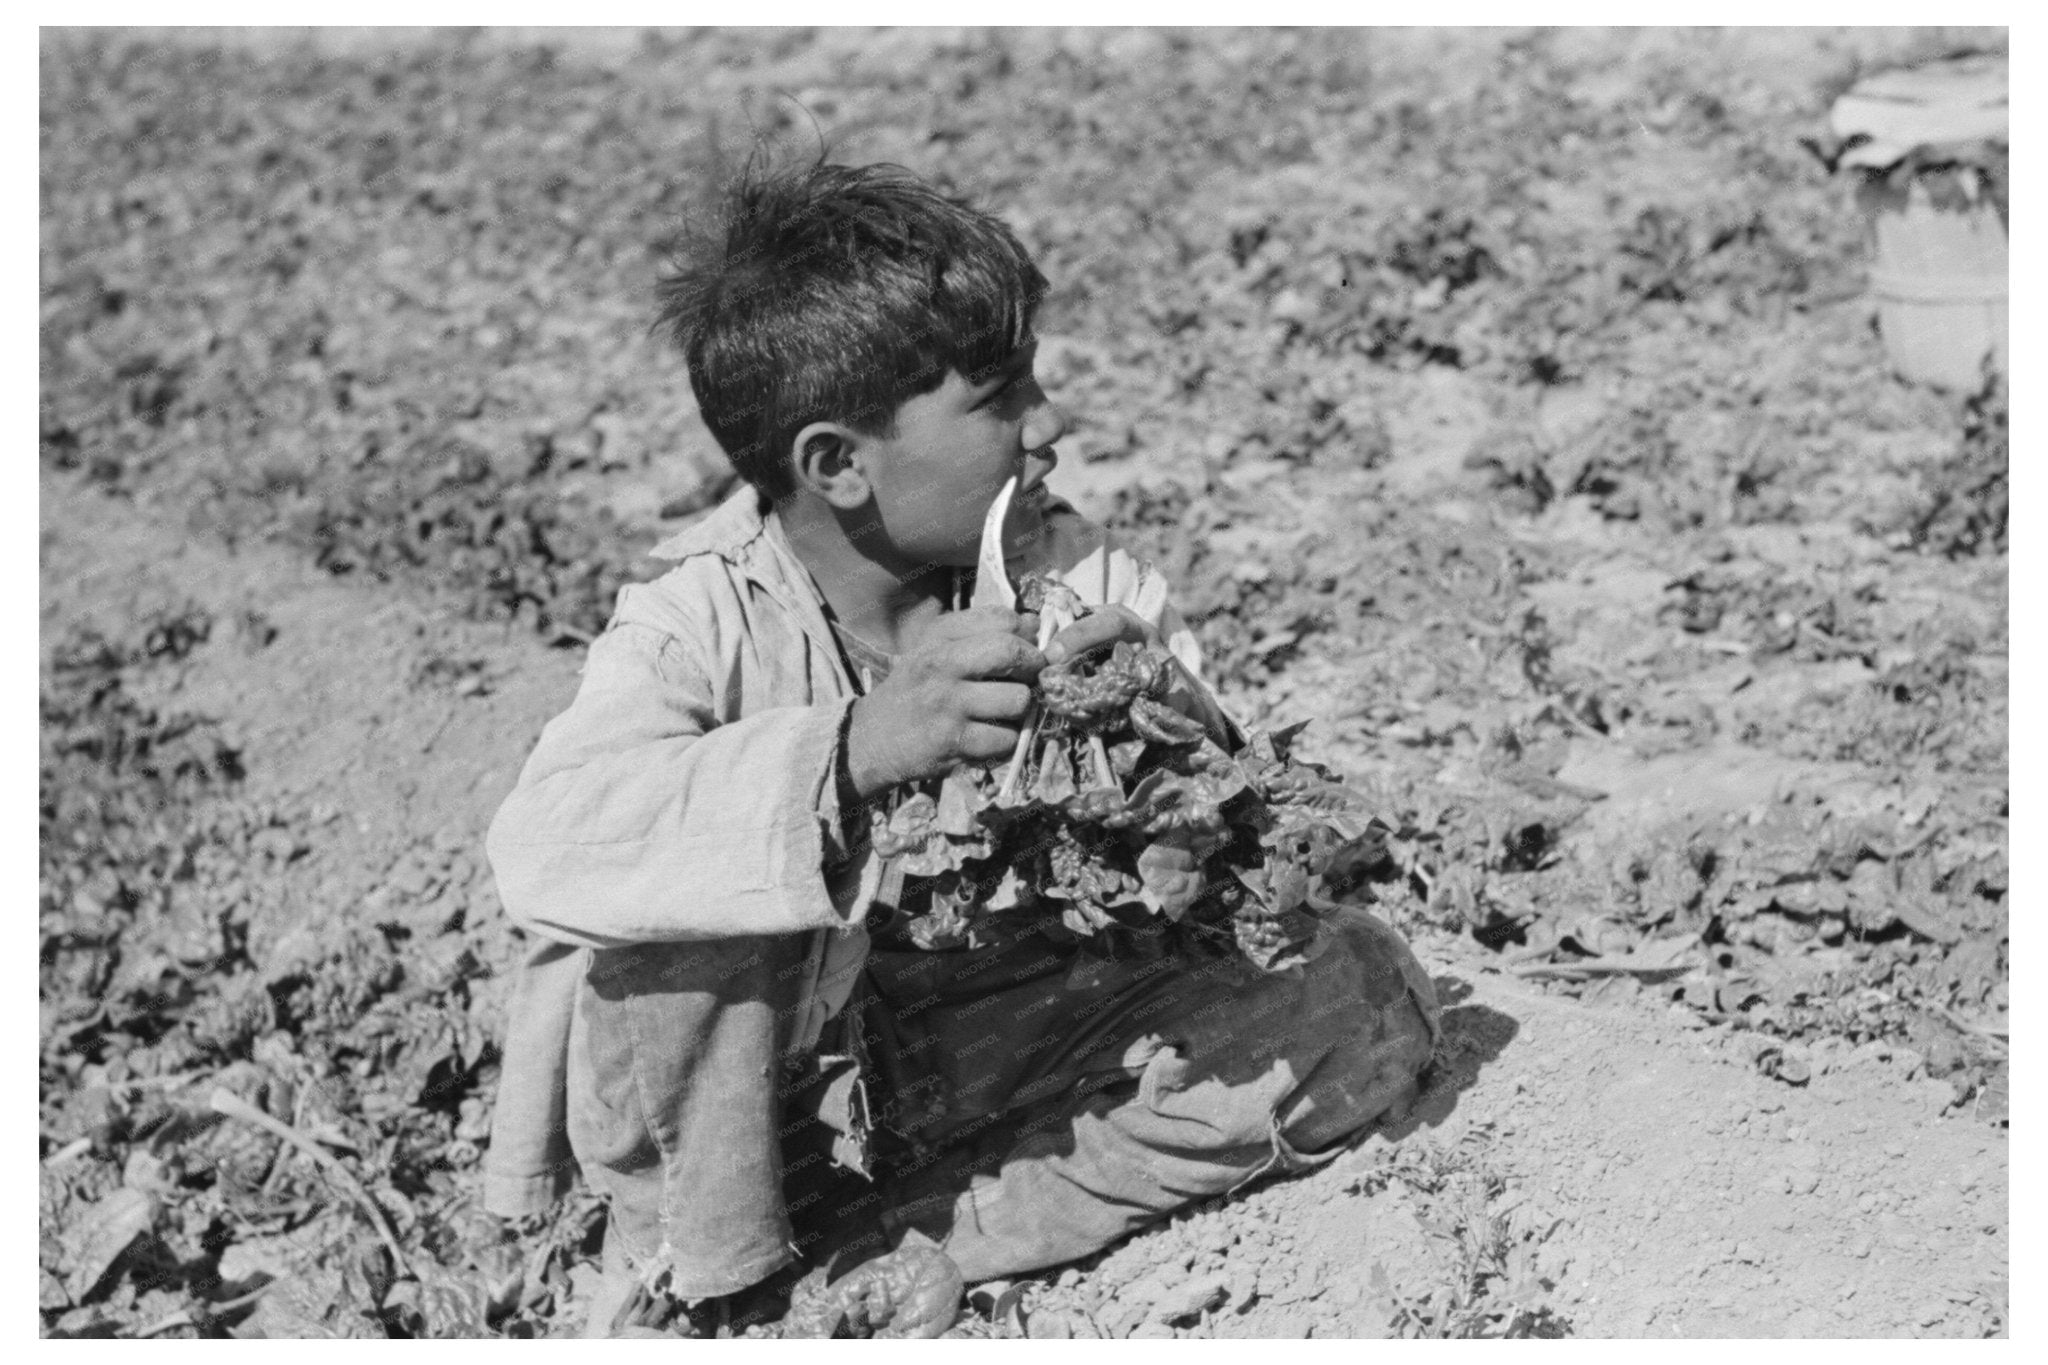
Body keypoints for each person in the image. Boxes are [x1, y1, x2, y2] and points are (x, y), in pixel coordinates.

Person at [480, 157, 1439, 1337]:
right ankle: (717, 1290)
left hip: (954, 1046)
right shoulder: (697, 625)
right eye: (998, 396)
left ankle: (912, 1244)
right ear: (837, 464)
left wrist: (1180, 762)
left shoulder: (1071, 572)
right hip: (751, 1117)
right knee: (683, 911)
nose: (1052, 422)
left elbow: (1212, 830)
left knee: (1358, 990)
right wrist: (852, 748)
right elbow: (541, 847)